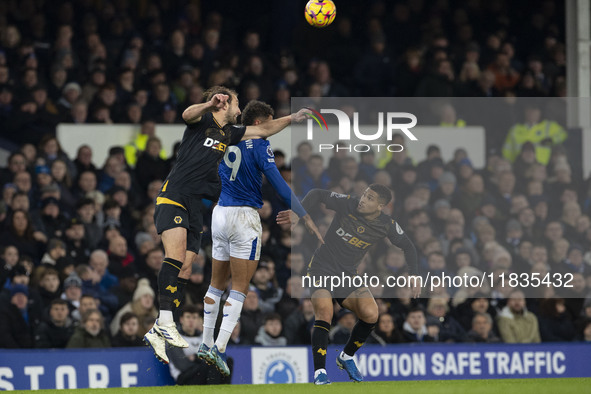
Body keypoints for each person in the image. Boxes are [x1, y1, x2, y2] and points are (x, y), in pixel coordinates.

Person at [144, 86, 309, 363]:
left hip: (196, 207)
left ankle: (158, 332)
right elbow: (187, 114)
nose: (239, 109)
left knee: (186, 266)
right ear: (224, 104)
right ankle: (165, 320)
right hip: (174, 196)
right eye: (236, 103)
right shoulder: (203, 121)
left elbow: (263, 131)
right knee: (174, 257)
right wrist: (209, 104)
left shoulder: (230, 134)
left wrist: (292, 118)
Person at [198, 100, 322, 375]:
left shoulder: (223, 137)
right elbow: (277, 182)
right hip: (244, 217)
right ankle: (218, 347)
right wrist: (303, 214)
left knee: (216, 284)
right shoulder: (260, 144)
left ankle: (205, 343)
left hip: (219, 213)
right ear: (259, 123)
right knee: (239, 288)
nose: (271, 129)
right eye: (269, 122)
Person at [277, 184, 420, 384]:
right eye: (364, 195)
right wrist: (298, 212)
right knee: (325, 313)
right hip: (321, 268)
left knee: (371, 314)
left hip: (347, 275)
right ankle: (320, 373)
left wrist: (414, 275)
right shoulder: (347, 204)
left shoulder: (386, 224)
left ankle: (346, 356)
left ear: (380, 206)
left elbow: (408, 246)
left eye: (370, 198)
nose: (363, 199)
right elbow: (317, 193)